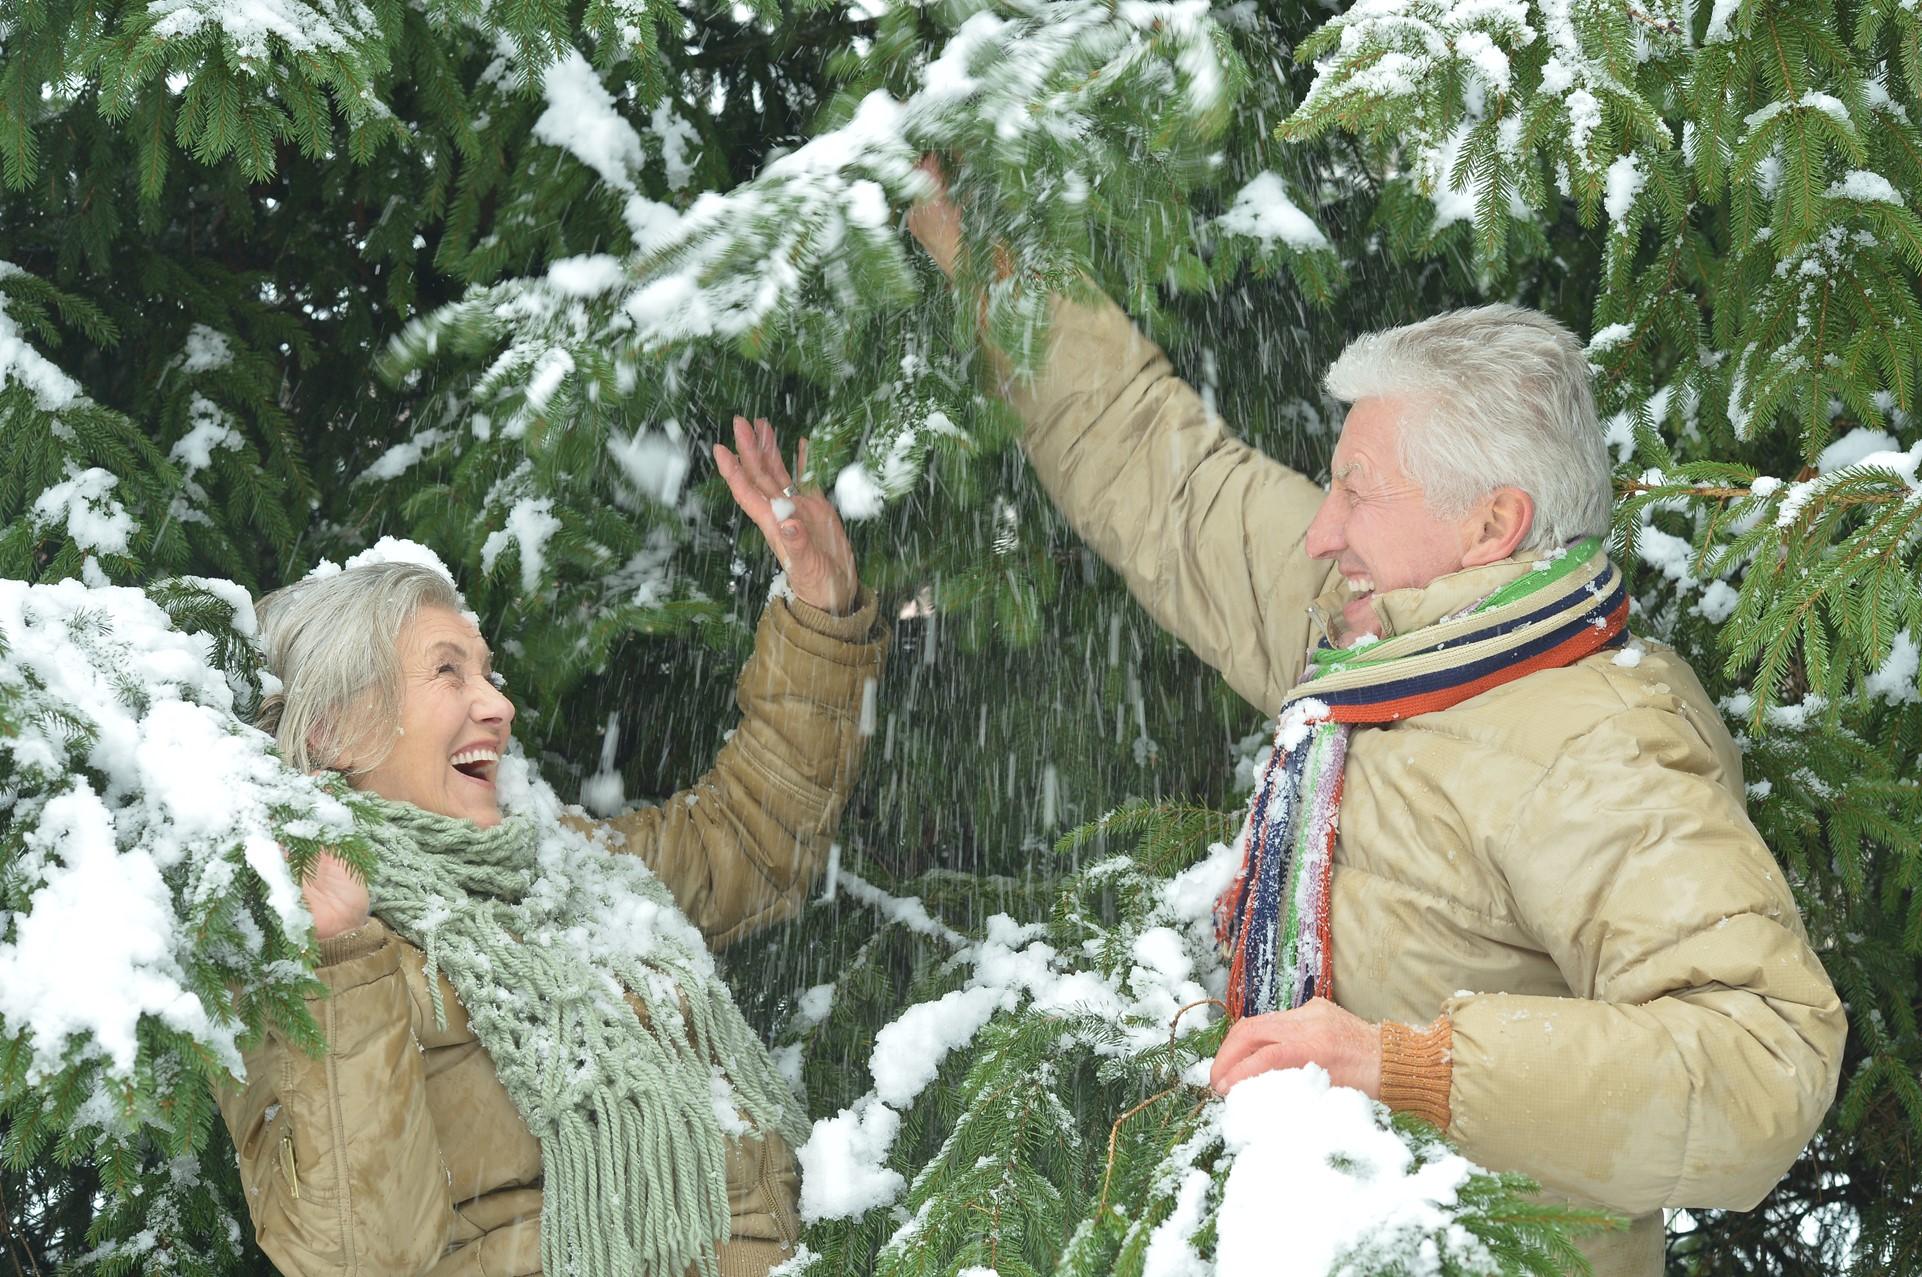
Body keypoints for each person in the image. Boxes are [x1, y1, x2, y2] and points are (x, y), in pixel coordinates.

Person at [908, 173, 1845, 1276]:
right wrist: (980, 260)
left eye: (1357, 491)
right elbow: (1164, 479)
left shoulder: (1595, 744)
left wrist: (1407, 1065)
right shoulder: (1368, 649)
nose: (1319, 530)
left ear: (1492, 524)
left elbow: (1759, 1061)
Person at [217, 416, 887, 1277]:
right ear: (335, 727)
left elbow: (749, 841)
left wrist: (820, 613)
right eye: (448, 672)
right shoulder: (297, 952)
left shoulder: (558, 862)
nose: (498, 705)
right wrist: (341, 957)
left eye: (487, 672)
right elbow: (361, 1256)